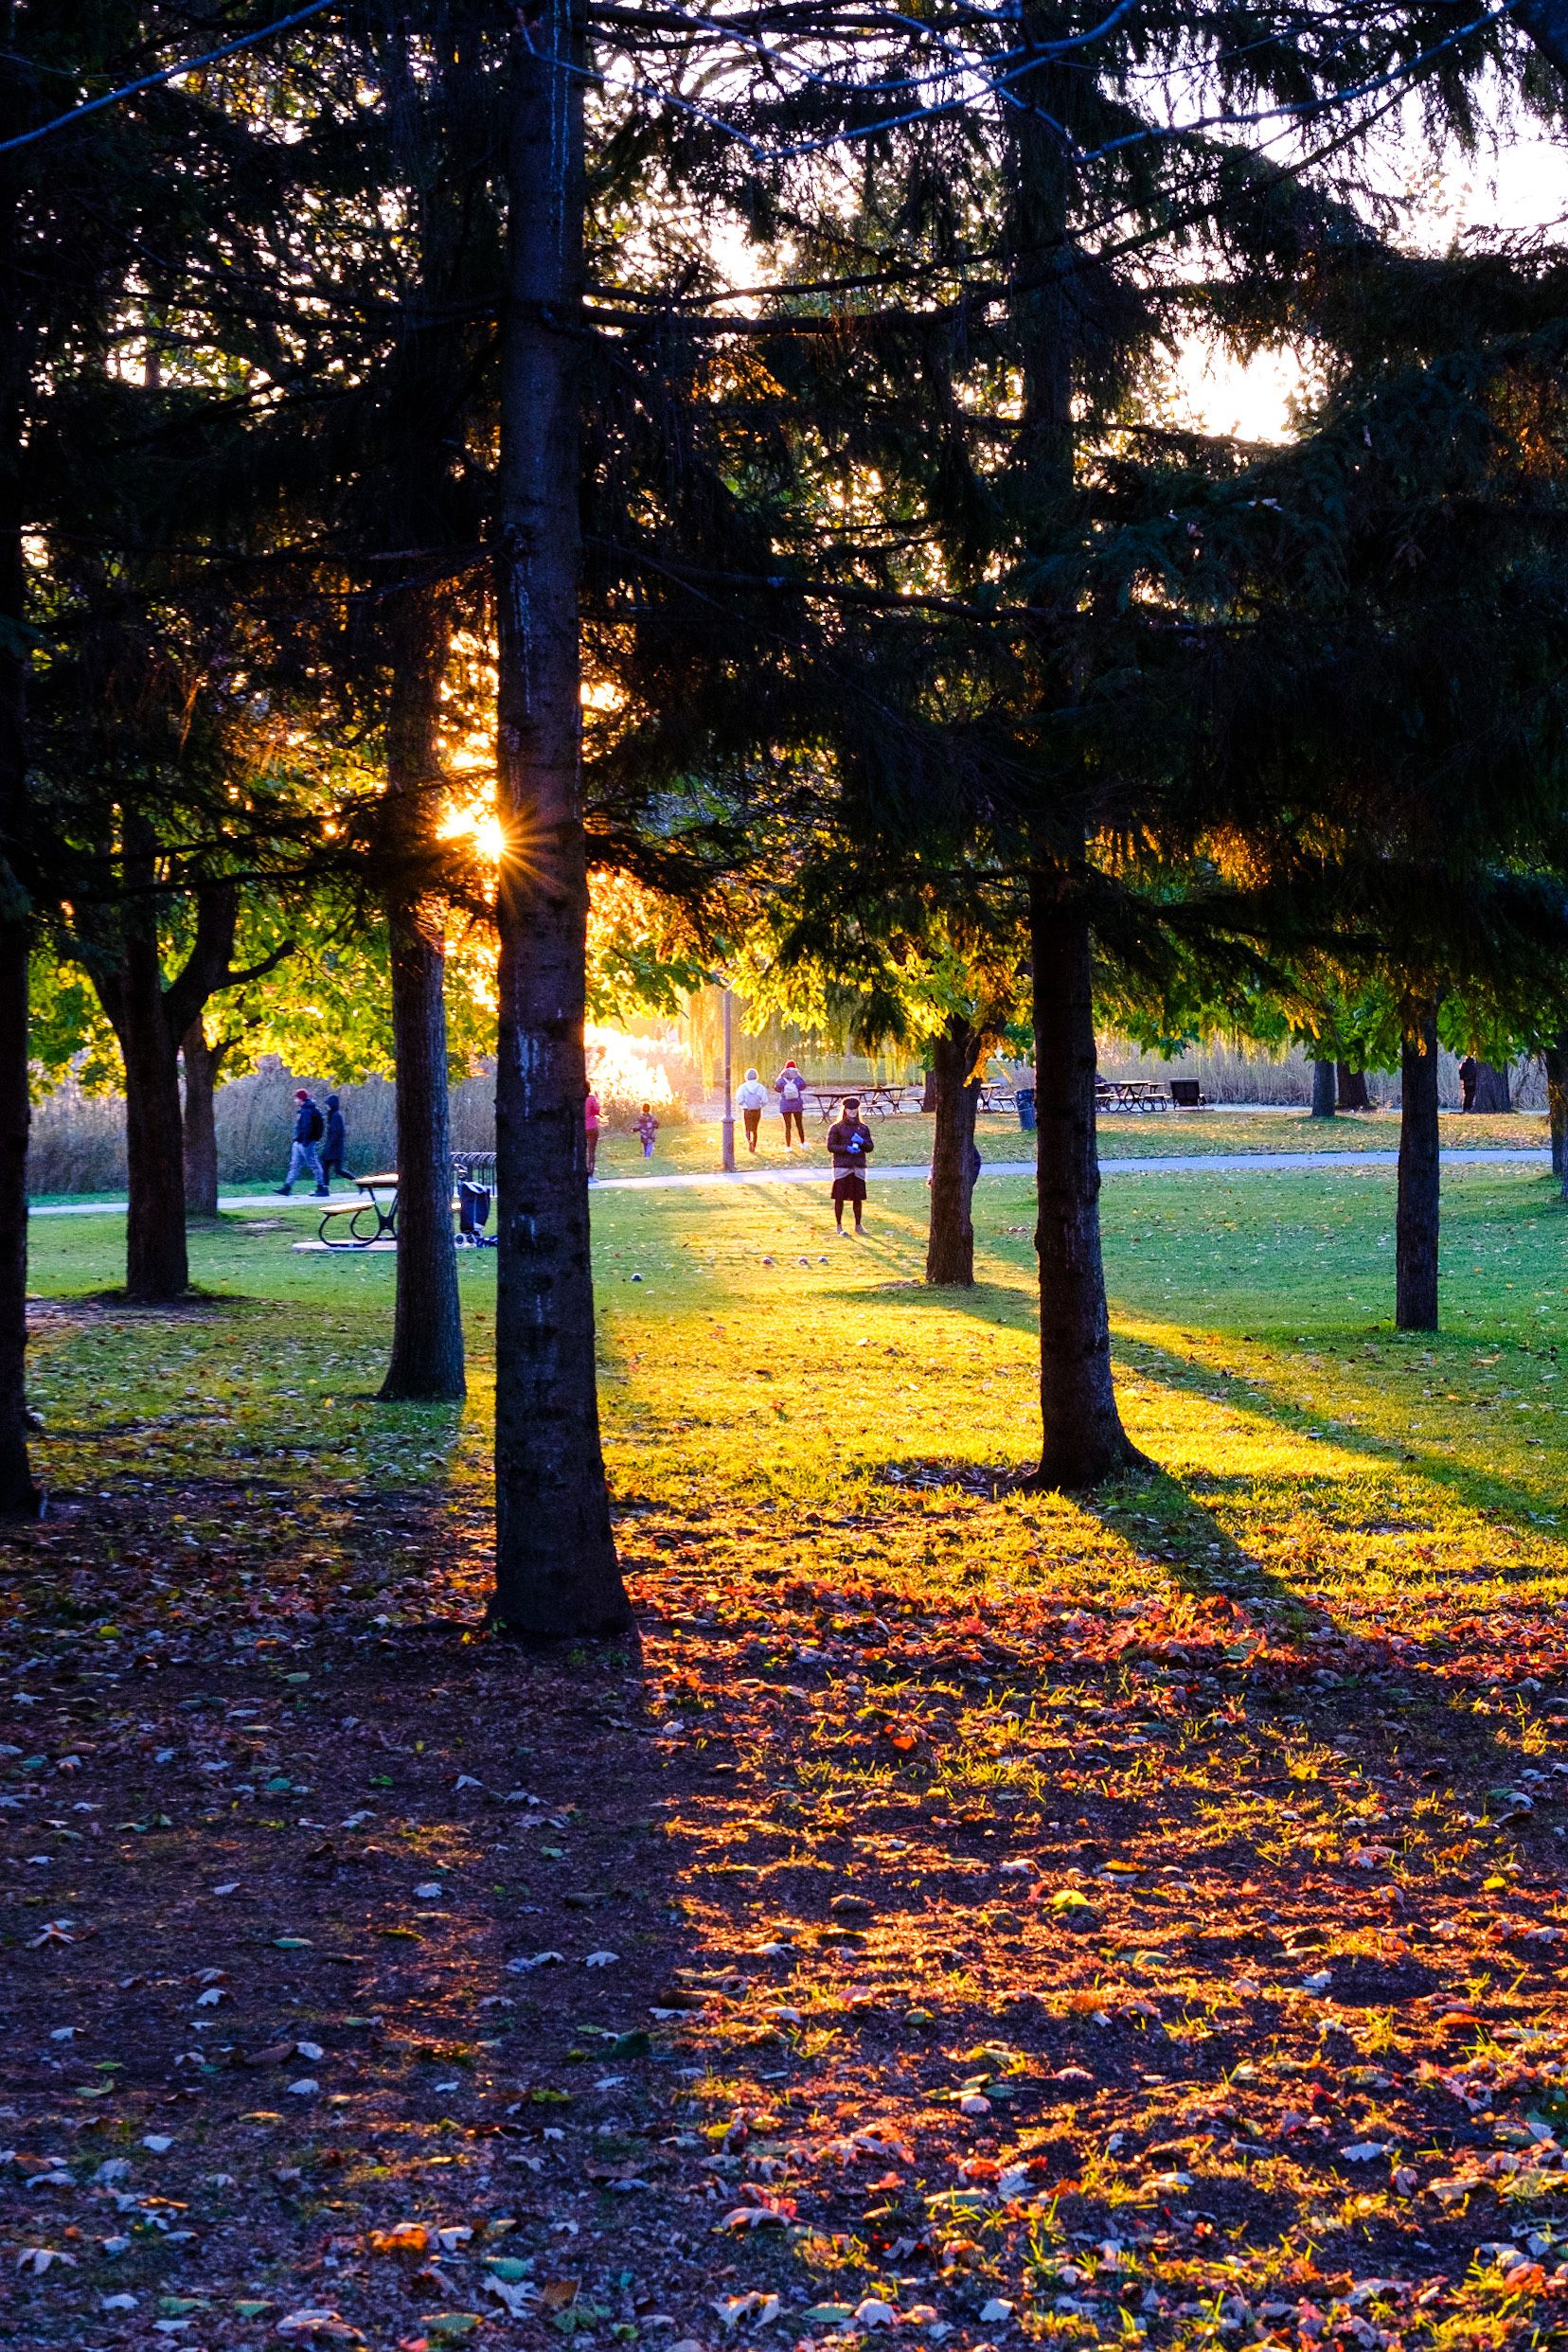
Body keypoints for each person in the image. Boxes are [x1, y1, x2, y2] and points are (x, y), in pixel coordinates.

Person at [825, 1094, 874, 1234]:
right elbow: (831, 1146)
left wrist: (862, 1142)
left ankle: (858, 1225)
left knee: (857, 1198)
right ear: (844, 1110)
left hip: (857, 1166)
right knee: (839, 1197)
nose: (852, 1112)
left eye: (855, 1109)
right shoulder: (836, 1127)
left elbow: (870, 1147)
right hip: (842, 1166)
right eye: (849, 1109)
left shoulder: (863, 1128)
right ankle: (839, 1224)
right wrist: (846, 1148)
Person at [276, 1088, 329, 1197]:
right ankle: (287, 1187)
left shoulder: (308, 1110)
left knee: (313, 1164)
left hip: (305, 1143)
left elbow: (307, 1127)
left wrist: (306, 1141)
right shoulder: (305, 1109)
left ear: (301, 1099)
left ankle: (322, 1187)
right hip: (300, 1142)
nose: (295, 1100)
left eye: (296, 1098)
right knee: (295, 1165)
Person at [775, 1059, 809, 1147]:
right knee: (799, 1124)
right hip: (797, 1104)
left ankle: (788, 1146)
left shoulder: (782, 1078)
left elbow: (777, 1088)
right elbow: (803, 1086)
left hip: (785, 1105)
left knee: (787, 1127)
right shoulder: (797, 1078)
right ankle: (803, 1143)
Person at [736, 1066, 770, 1152]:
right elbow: (765, 1100)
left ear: (746, 1076)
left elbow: (739, 1098)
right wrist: (760, 1105)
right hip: (757, 1110)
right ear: (756, 1076)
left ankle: (749, 1141)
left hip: (747, 1110)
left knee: (747, 1128)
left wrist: (744, 1105)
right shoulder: (760, 1087)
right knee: (755, 1129)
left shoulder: (743, 1087)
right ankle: (754, 1145)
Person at [321, 1093, 349, 1184]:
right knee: (325, 1167)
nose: (326, 1106)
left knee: (338, 1170)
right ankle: (325, 1188)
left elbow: (336, 1133)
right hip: (333, 1147)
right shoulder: (333, 1115)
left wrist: (329, 1146)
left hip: (335, 1148)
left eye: (327, 1104)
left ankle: (359, 1183)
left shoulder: (336, 1116)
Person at [584, 1086, 602, 1178]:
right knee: (591, 1151)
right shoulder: (591, 1099)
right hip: (591, 1126)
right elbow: (597, 1110)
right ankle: (590, 1174)